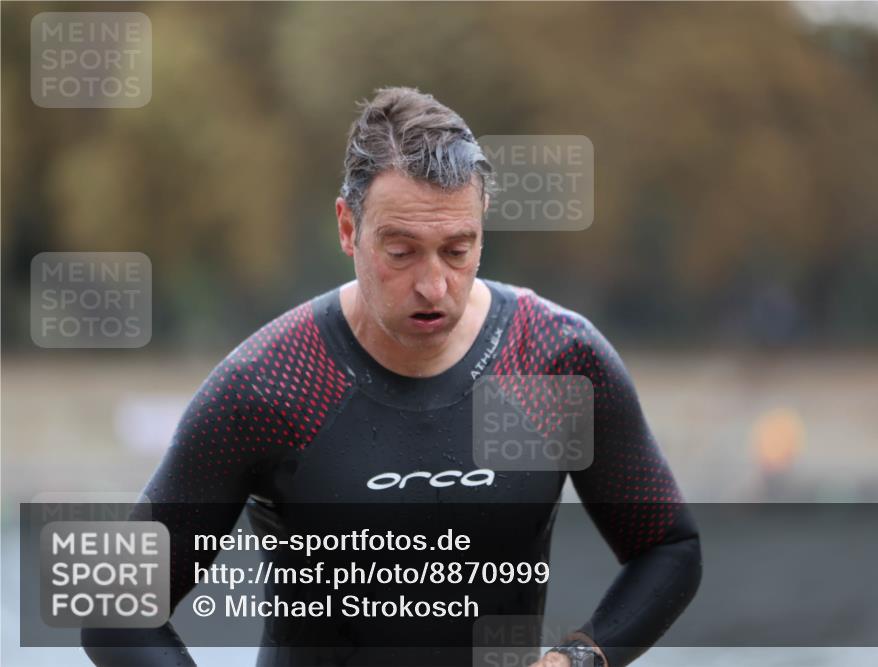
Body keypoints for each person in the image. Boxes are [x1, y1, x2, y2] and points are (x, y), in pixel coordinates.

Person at [82, 86, 701, 667]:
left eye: (458, 250)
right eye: (401, 251)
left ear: (482, 224)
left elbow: (668, 549)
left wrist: (580, 657)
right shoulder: (272, 385)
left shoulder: (552, 357)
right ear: (348, 229)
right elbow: (113, 612)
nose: (433, 286)